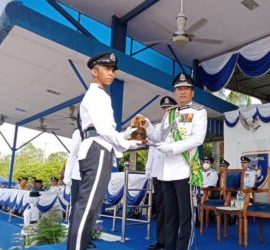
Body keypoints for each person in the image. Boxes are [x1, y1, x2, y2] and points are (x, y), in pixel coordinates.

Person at [67, 52, 140, 250]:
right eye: (107, 68)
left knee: (90, 205)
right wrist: (129, 142)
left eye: (113, 70)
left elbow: (108, 132)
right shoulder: (97, 94)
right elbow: (105, 131)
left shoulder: (100, 94)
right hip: (97, 149)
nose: (111, 73)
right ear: (94, 71)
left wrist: (132, 135)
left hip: (100, 147)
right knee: (87, 205)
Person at [145, 73, 207, 250]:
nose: (182, 92)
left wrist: (171, 148)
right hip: (165, 172)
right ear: (174, 92)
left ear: (192, 92)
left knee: (184, 215)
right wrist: (148, 126)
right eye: (179, 89)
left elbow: (197, 139)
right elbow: (159, 137)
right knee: (169, 215)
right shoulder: (169, 114)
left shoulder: (199, 111)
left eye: (186, 89)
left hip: (184, 170)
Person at [145, 96, 177, 250]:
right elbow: (151, 149)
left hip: (172, 173)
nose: (165, 111)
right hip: (158, 173)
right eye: (164, 108)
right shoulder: (156, 127)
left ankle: (172, 241)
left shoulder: (178, 126)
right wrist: (148, 169)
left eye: (169, 108)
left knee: (172, 209)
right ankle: (161, 240)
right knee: (161, 209)